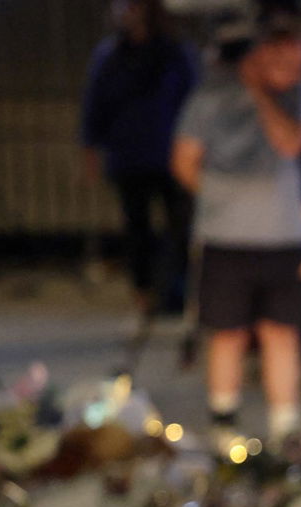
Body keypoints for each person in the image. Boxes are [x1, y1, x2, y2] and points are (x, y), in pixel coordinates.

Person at [172, 2, 301, 449]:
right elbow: (184, 161)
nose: (294, 71)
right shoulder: (210, 96)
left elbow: (290, 142)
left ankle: (285, 428)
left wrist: (261, 95)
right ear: (261, 53)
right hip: (226, 237)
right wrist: (224, 198)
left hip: (285, 235)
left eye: (300, 62)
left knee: (281, 331)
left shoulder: (299, 93)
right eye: (285, 61)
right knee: (227, 332)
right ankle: (223, 423)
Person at [80, 0, 199, 322]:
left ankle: (175, 291)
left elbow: (194, 99)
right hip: (128, 156)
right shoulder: (110, 55)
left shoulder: (175, 52)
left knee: (179, 228)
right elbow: (95, 103)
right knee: (137, 230)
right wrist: (91, 148)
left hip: (172, 155)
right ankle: (144, 292)